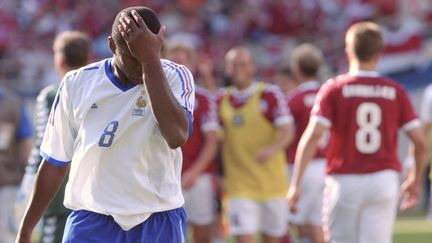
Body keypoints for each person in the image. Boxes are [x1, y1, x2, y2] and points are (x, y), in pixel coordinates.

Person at [16, 6, 194, 243]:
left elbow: (176, 136)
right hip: (92, 220)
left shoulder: (175, 76)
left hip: (157, 217)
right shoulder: (76, 83)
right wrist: (26, 229)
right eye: (133, 58)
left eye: (148, 54)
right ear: (111, 46)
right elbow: (55, 162)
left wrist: (150, 60)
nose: (140, 67)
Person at [287, 21, 426, 243]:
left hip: (345, 178)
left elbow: (313, 136)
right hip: (384, 178)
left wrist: (295, 185)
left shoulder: (334, 88)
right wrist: (414, 179)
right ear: (380, 53)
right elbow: (419, 142)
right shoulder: (395, 90)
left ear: (349, 50)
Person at [16, 30, 91, 243]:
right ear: (88, 59)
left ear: (59, 60)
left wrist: (29, 184)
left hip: (58, 191)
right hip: (94, 191)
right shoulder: (100, 91)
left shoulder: (52, 94)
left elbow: (43, 145)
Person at [219, 46, 294, 243]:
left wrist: (272, 148)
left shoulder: (269, 94)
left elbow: (288, 131)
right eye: (233, 65)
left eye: (243, 64)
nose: (238, 69)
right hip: (239, 186)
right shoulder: (221, 99)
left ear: (252, 67)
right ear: (227, 69)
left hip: (273, 184)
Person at [165, 42, 220, 243]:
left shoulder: (204, 99)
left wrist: (195, 172)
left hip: (196, 177)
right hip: (163, 175)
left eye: (181, 61)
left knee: (201, 233)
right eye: (172, 61)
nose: (176, 66)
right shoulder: (154, 96)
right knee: (166, 232)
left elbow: (212, 141)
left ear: (191, 66)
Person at [285, 43, 326, 243]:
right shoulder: (329, 93)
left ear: (296, 68)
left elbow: (287, 134)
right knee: (317, 223)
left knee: (296, 223)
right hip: (326, 165)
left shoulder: (294, 99)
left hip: (300, 166)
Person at [0, 79, 33, 243]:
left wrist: (30, 175)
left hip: (7, 181)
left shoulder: (13, 104)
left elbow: (26, 143)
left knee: (5, 233)